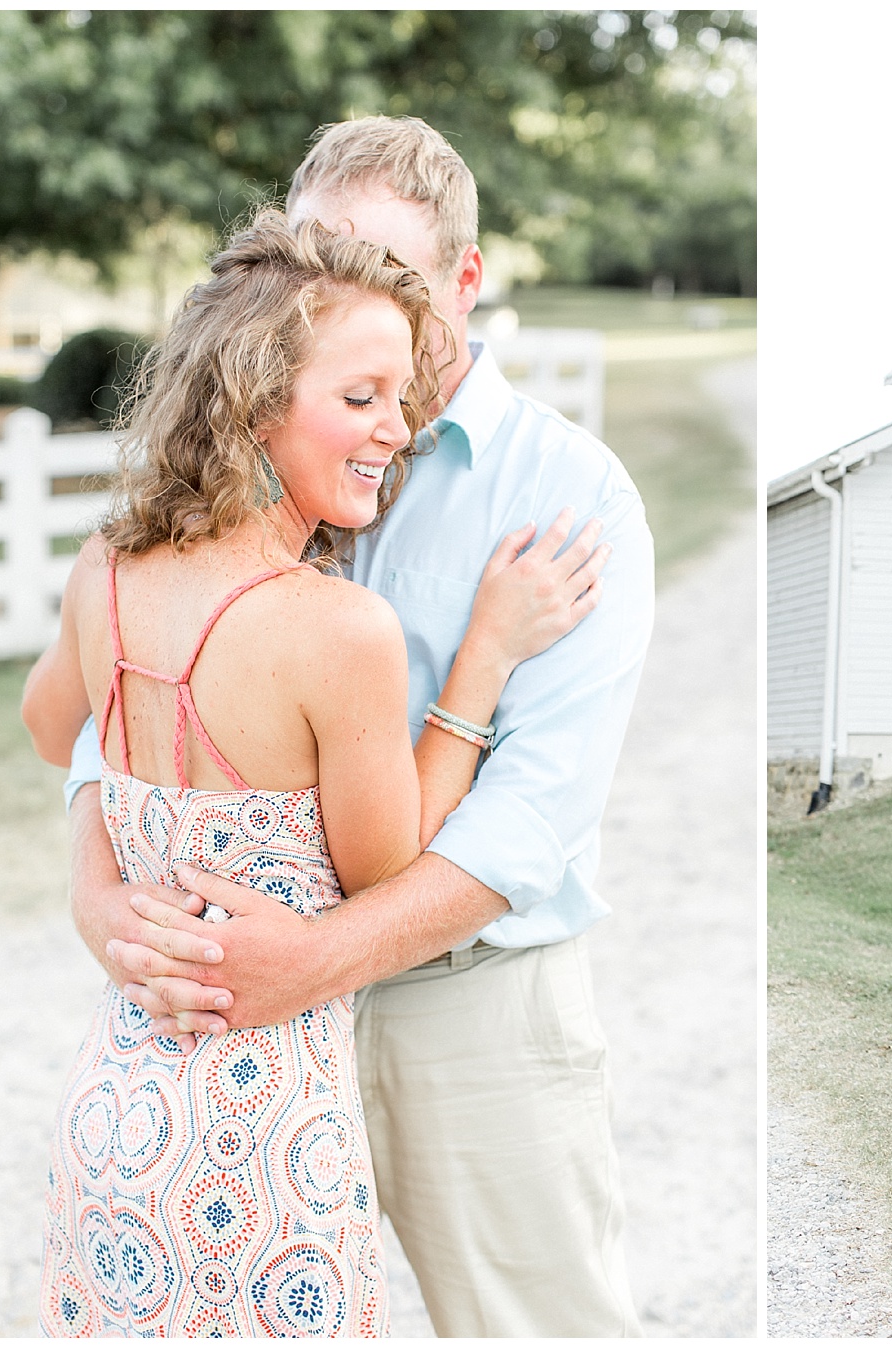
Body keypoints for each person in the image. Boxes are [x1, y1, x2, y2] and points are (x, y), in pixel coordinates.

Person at [57, 118, 654, 1336]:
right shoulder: (238, 477)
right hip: (235, 1031)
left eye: (384, 270)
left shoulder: (571, 495)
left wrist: (318, 960)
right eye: (308, 262)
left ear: (465, 279)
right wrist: (96, 891)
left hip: (470, 1012)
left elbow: (531, 820)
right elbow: (113, 697)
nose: (332, 295)